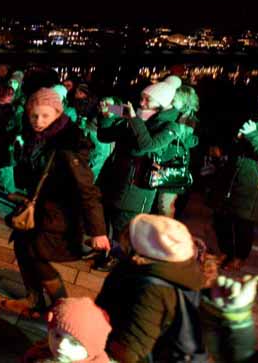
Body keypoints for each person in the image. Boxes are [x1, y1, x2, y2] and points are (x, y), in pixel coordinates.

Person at [1, 88, 109, 318]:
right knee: (22, 247)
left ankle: (62, 310)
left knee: (37, 255)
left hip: (59, 212)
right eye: (34, 116)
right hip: (38, 207)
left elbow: (87, 189)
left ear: (57, 114)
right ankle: (34, 299)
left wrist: (98, 231)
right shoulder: (35, 137)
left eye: (45, 116)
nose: (38, 121)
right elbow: (29, 175)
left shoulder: (68, 144)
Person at [97, 76, 184, 270]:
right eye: (142, 97)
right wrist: (106, 114)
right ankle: (106, 249)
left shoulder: (171, 126)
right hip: (115, 175)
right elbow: (104, 136)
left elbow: (147, 145)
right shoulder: (136, 114)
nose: (141, 102)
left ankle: (119, 258)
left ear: (161, 105)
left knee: (124, 224)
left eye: (147, 100)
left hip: (138, 183)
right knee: (109, 215)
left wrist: (133, 119)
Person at [95, 214, 207, 363]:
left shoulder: (152, 289)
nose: (126, 243)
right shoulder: (181, 269)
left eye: (133, 239)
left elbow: (130, 351)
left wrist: (93, 348)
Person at [212, 114, 258, 272]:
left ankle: (239, 257)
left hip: (253, 180)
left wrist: (252, 135)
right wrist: (236, 140)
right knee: (221, 216)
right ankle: (226, 251)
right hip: (234, 175)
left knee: (243, 222)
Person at [22, 297, 114, 363]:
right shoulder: (39, 352)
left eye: (74, 343)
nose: (61, 345)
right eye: (57, 335)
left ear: (93, 349)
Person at [155, 85, 200, 217]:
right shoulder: (172, 114)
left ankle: (166, 235)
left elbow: (184, 140)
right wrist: (112, 108)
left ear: (185, 101)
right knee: (160, 206)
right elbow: (139, 114)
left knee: (164, 207)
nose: (171, 100)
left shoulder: (187, 120)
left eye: (175, 98)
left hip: (171, 168)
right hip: (161, 165)